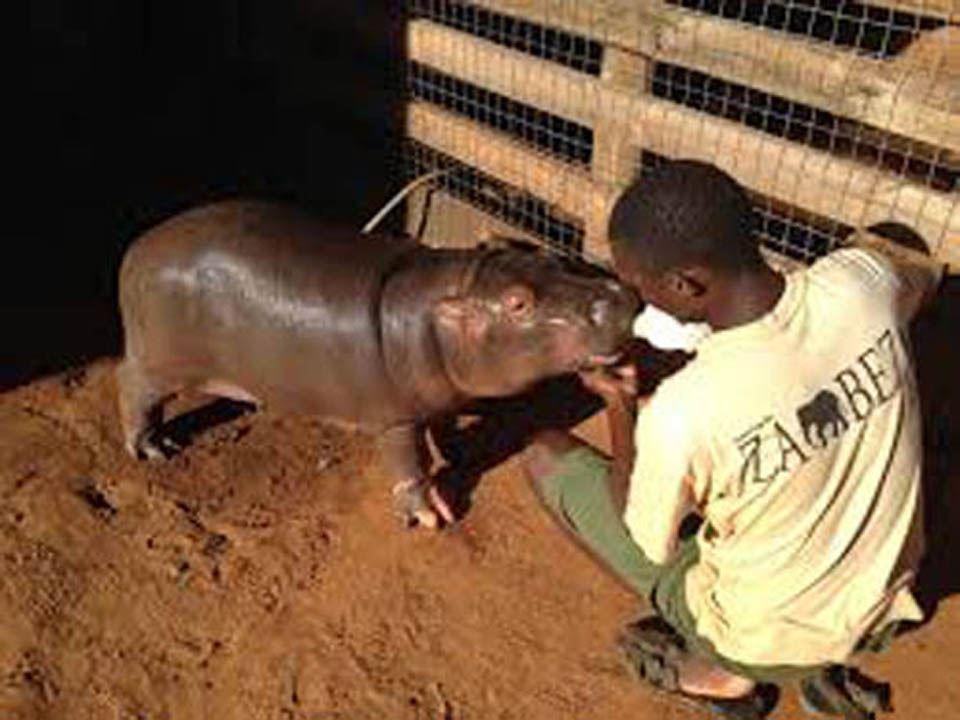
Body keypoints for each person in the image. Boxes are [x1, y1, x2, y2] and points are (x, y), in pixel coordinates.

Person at [522, 160, 943, 718]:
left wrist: (619, 406)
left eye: (639, 287)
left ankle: (723, 675)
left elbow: (643, 536)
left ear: (686, 285)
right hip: (883, 604)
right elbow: (919, 279)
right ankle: (817, 666)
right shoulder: (862, 284)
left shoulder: (685, 411)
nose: (638, 299)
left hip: (761, 641)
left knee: (543, 457)